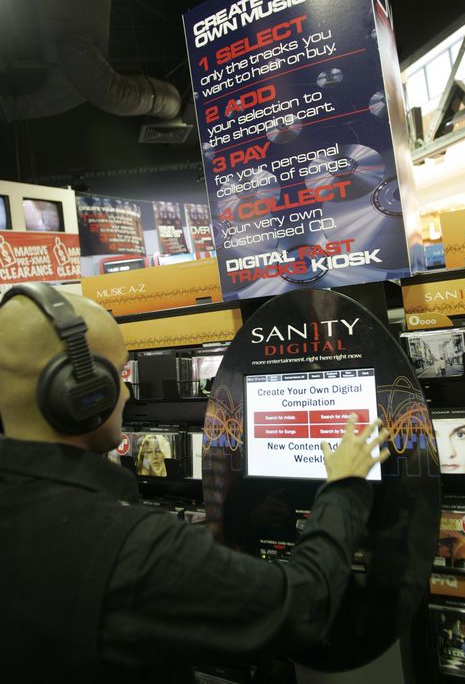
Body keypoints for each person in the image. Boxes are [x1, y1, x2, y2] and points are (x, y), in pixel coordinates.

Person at [0, 283, 390, 684]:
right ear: (82, 393)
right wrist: (344, 485)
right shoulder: (133, 548)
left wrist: (239, 519)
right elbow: (304, 606)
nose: (127, 392)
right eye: (116, 375)